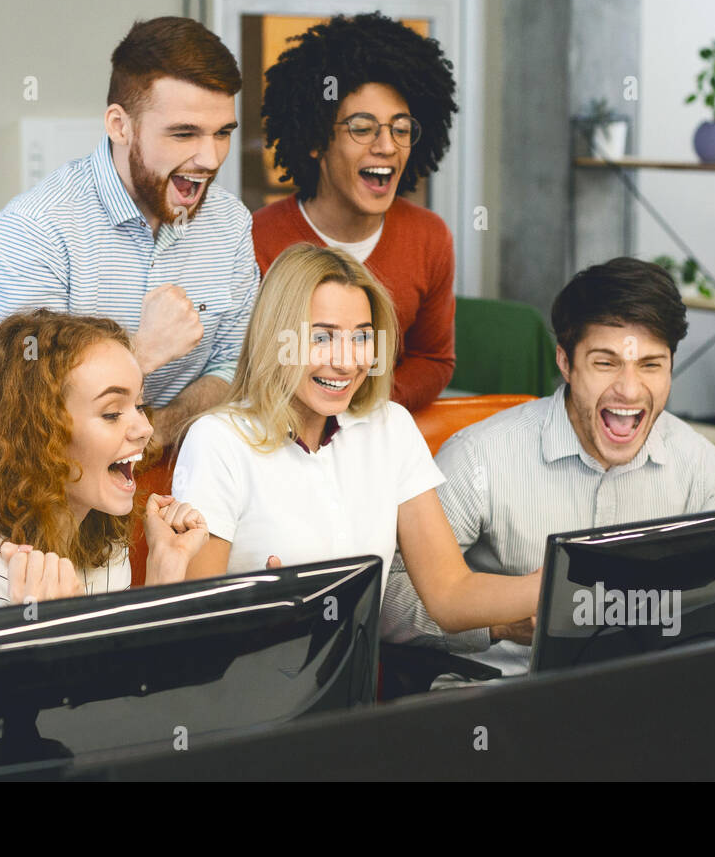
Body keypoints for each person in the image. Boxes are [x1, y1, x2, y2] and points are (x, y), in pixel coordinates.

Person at [380, 256, 715, 677]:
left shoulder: (697, 463)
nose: (629, 390)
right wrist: (496, 624)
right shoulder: (481, 456)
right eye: (606, 363)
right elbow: (387, 602)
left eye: (650, 365)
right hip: (506, 697)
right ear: (565, 363)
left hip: (651, 697)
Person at [171, 244, 539, 635]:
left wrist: (561, 583)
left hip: (356, 674)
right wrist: (268, 614)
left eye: (362, 337)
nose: (346, 362)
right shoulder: (217, 440)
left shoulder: (391, 427)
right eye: (321, 338)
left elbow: (450, 594)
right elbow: (196, 627)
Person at [0, 17, 259, 445]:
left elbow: (234, 366)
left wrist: (157, 432)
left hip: (179, 473)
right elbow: (26, 401)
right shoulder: (34, 231)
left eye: (222, 133)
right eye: (184, 133)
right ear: (119, 125)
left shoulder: (231, 224)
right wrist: (141, 351)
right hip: (59, 482)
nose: (210, 158)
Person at [0, 310, 207, 620]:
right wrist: (50, 628)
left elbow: (122, 654)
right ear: (37, 434)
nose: (146, 429)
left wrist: (164, 575)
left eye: (139, 405)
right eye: (112, 413)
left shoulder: (103, 541)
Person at [252, 12, 457, 413]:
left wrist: (360, 409)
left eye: (401, 129)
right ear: (316, 139)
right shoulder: (257, 239)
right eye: (362, 129)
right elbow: (246, 366)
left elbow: (433, 359)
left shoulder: (429, 237)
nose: (387, 146)